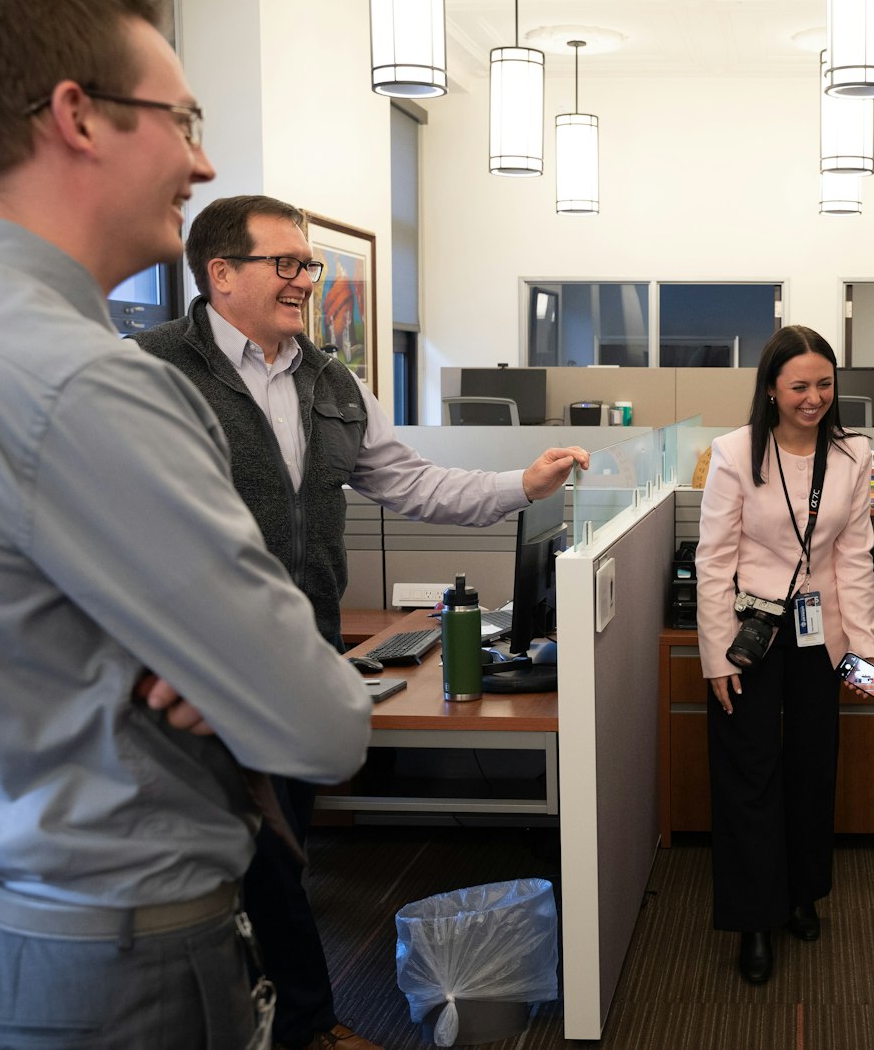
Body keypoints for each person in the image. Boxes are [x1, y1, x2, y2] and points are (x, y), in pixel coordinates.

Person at [0, 0, 374, 1047]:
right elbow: (322, 723)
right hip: (121, 960)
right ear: (77, 115)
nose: (201, 164)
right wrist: (236, 665)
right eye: (184, 123)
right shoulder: (93, 382)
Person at [132, 193, 588, 1050]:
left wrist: (519, 486)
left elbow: (411, 483)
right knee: (241, 865)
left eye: (308, 263)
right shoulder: (151, 369)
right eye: (288, 263)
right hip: (192, 661)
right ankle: (301, 1025)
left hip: (299, 652)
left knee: (284, 850)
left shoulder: (330, 379)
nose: (306, 279)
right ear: (220, 273)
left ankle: (270, 1016)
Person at [696, 325, 874, 984]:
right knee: (749, 773)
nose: (814, 398)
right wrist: (716, 658)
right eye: (799, 385)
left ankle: (803, 892)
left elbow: (853, 561)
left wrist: (867, 656)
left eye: (824, 384)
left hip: (821, 638)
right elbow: (713, 560)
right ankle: (753, 918)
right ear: (771, 388)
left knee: (812, 765)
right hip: (749, 634)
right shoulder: (734, 453)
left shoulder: (853, 455)